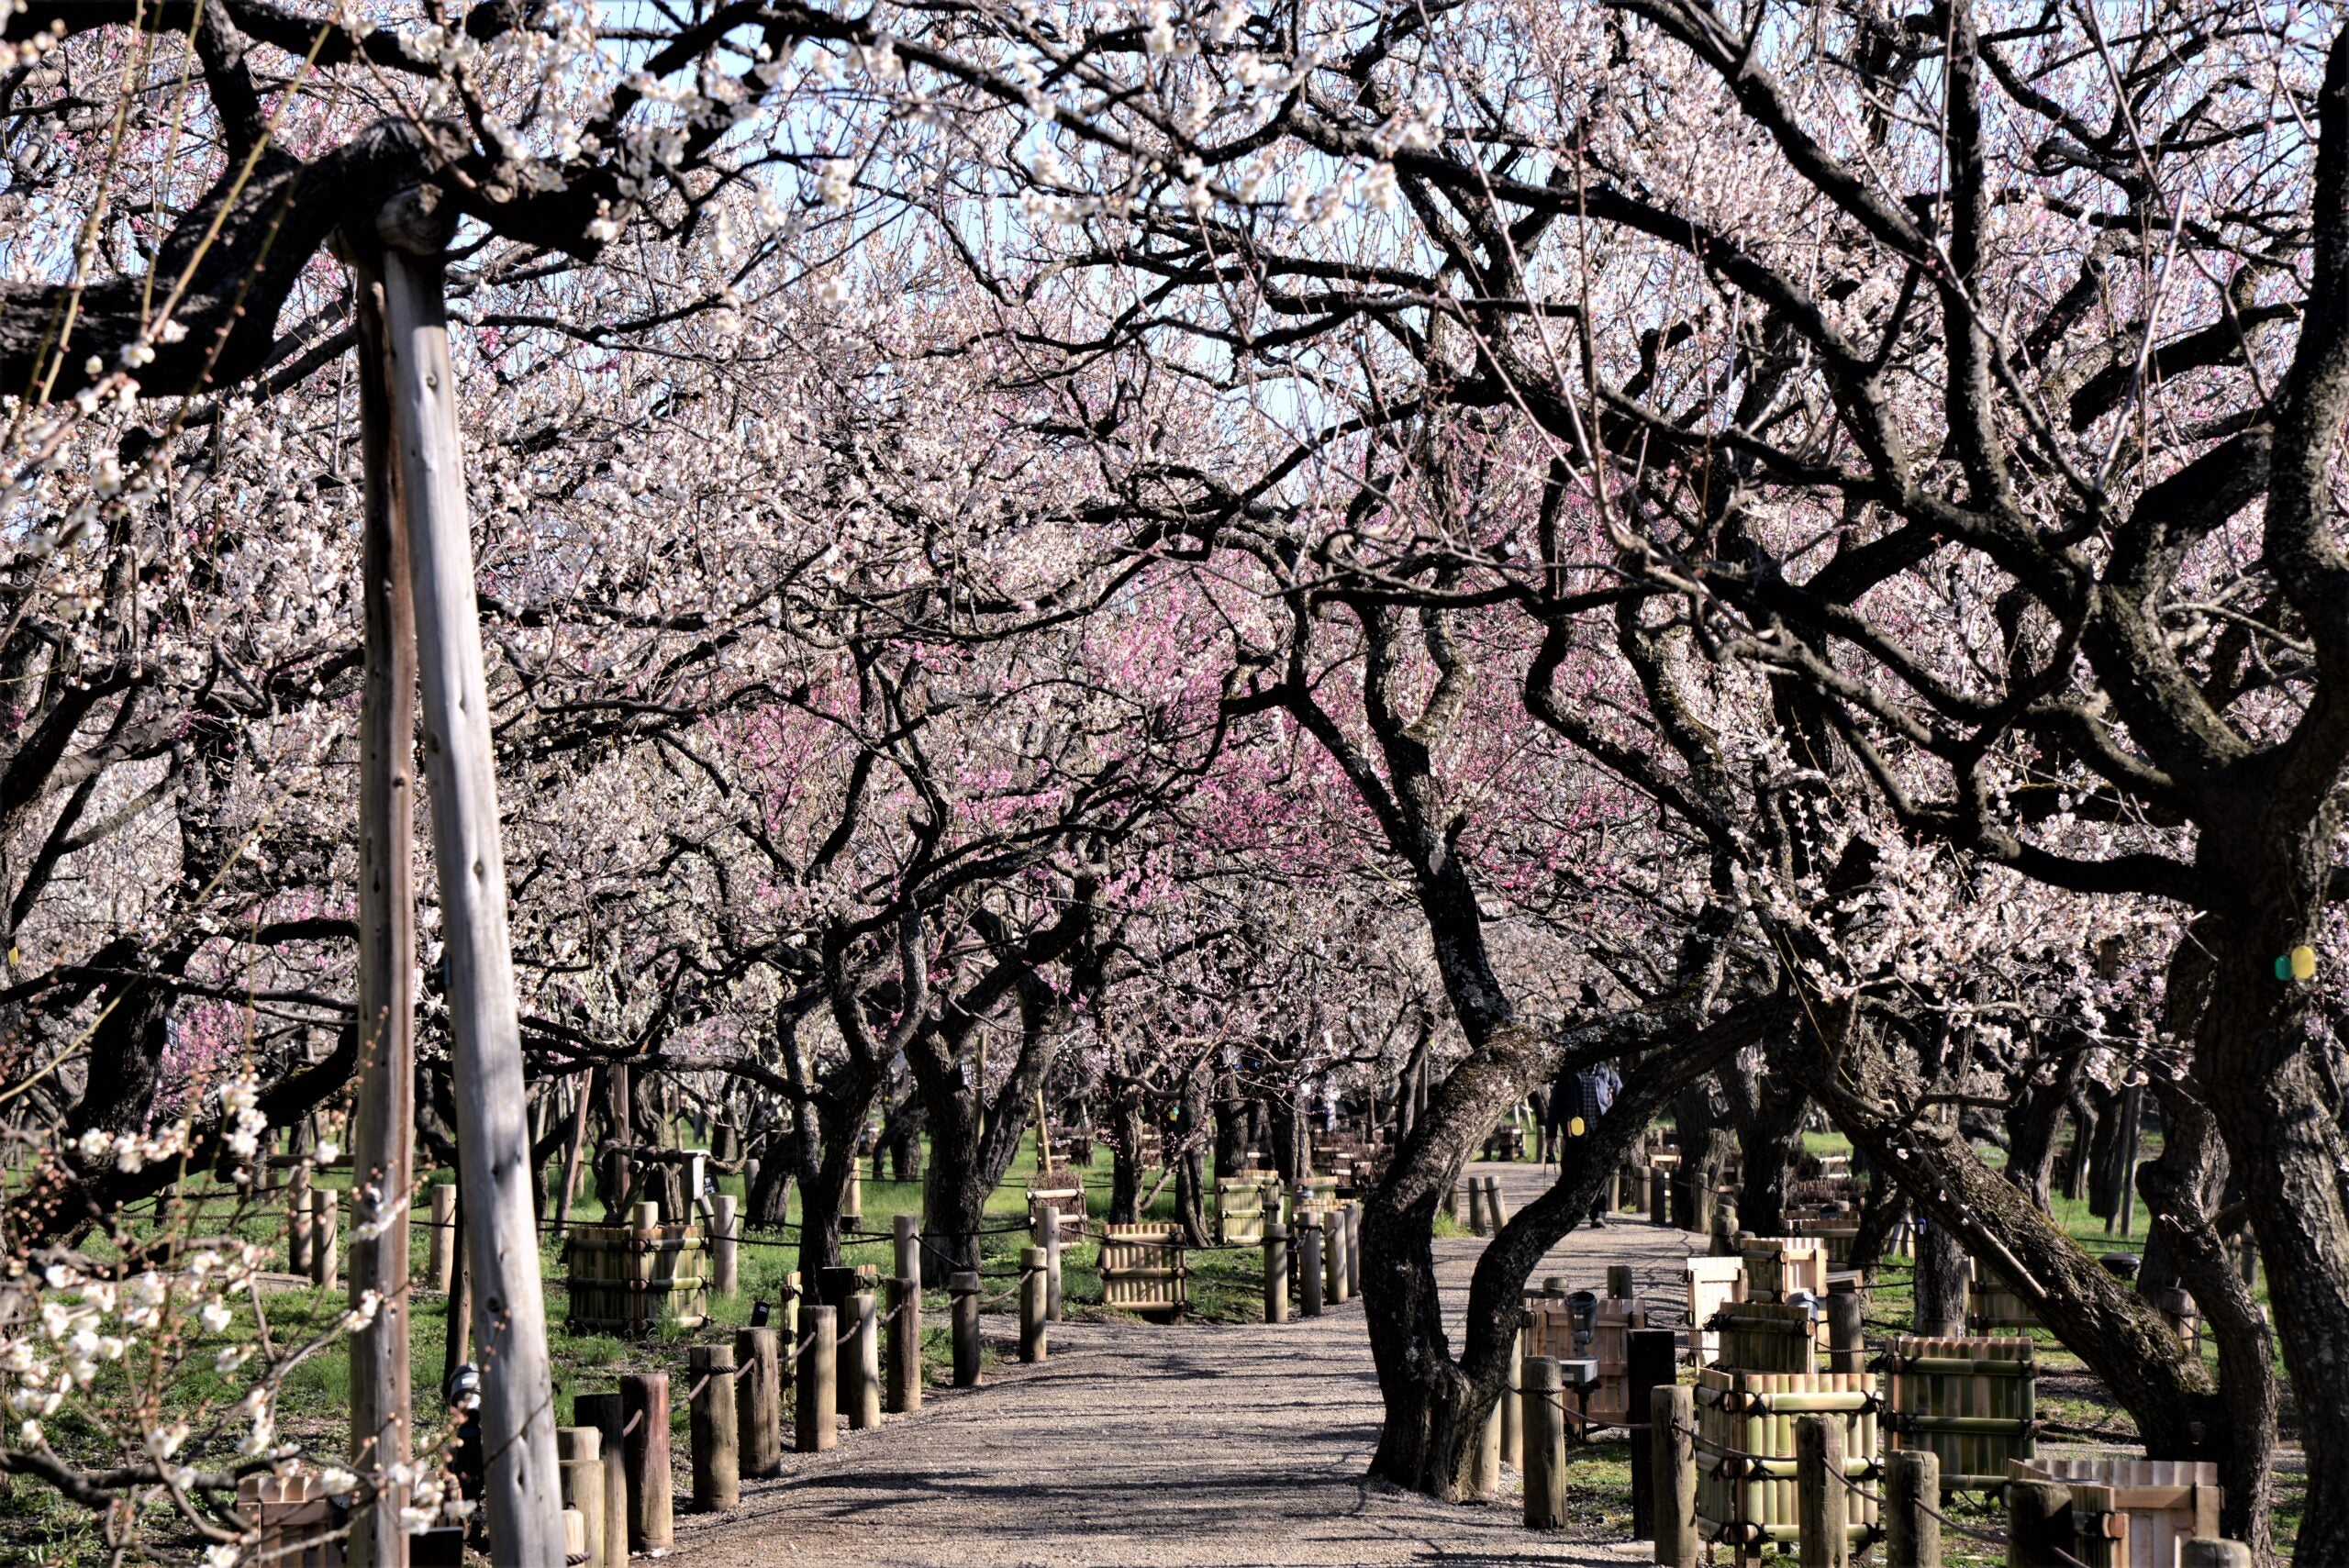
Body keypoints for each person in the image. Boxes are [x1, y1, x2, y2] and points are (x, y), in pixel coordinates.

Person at [1547, 1061, 1622, 1223]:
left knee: (1600, 1172)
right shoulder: (1568, 1076)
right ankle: (1566, 1211)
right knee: (1570, 1170)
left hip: (1600, 1132)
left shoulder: (1606, 1073)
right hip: (1575, 1134)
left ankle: (1599, 1215)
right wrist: (1551, 1133)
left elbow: (1622, 1097)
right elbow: (1554, 1106)